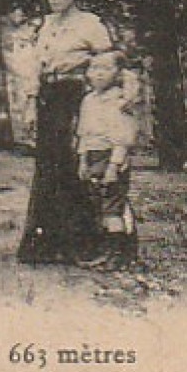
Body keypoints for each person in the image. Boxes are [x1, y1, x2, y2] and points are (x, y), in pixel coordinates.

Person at [16, 0, 114, 265]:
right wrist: (31, 103)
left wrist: (102, 101)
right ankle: (46, 245)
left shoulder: (90, 25)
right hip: (50, 98)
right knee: (48, 165)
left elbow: (108, 64)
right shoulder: (45, 26)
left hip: (77, 98)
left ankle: (85, 243)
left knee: (73, 164)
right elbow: (34, 67)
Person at [76, 50, 140, 268]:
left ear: (118, 73)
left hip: (111, 156)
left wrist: (114, 165)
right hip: (92, 155)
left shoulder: (120, 102)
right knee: (99, 206)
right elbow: (83, 133)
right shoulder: (88, 100)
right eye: (94, 68)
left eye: (106, 69)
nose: (99, 74)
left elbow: (122, 138)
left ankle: (119, 254)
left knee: (112, 206)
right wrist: (83, 160)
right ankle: (105, 250)